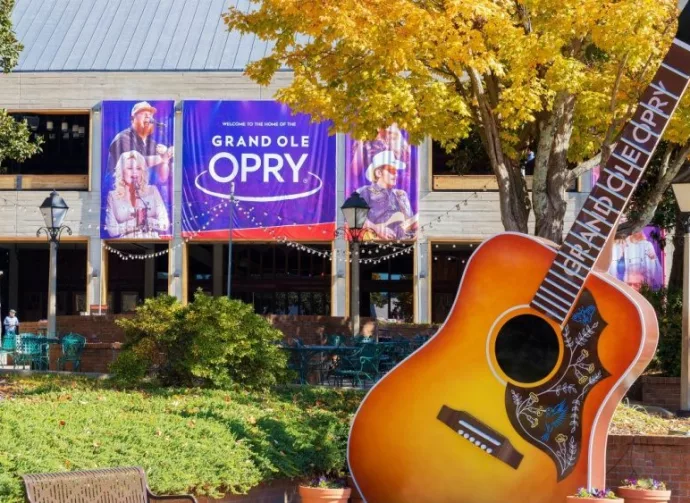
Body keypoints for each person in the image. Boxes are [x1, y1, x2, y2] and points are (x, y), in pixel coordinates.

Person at [107, 101, 174, 206]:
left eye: (150, 114)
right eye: (143, 113)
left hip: (142, 198)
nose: (148, 116)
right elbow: (136, 163)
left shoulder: (152, 143)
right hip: (119, 197)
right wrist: (163, 157)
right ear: (133, 118)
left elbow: (163, 177)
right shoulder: (123, 138)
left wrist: (165, 160)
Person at [105, 150, 170, 238]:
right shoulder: (113, 196)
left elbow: (165, 224)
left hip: (153, 242)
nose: (135, 172)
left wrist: (147, 221)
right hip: (125, 245)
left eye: (139, 168)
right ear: (121, 171)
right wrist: (135, 223)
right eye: (130, 168)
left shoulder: (152, 190)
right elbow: (111, 230)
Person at [357, 150, 417, 240]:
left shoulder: (402, 195)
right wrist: (377, 229)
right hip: (373, 245)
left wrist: (416, 230)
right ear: (379, 173)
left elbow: (409, 223)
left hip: (401, 246)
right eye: (391, 170)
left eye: (396, 171)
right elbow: (354, 217)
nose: (396, 174)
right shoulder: (366, 191)